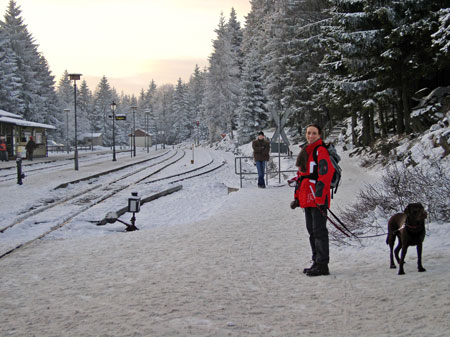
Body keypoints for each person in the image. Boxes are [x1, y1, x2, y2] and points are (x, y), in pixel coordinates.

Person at [293, 124, 335, 276]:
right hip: (307, 197)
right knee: (312, 231)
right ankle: (316, 261)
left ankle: (323, 264)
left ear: (319, 135)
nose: (310, 135)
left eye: (314, 133)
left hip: (317, 198)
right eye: (308, 133)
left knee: (319, 231)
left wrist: (319, 196)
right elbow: (301, 176)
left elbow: (325, 174)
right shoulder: (306, 151)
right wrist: (297, 197)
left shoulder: (320, 150)